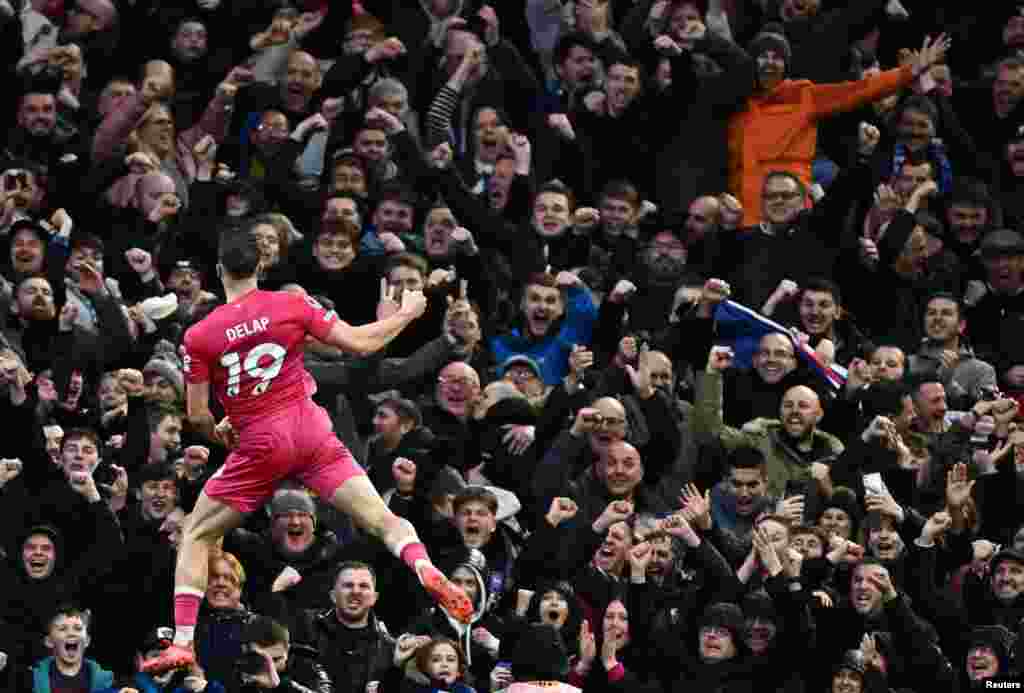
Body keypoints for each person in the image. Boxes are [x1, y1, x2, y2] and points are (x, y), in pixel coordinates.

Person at [141, 223, 472, 673]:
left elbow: (196, 415)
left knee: (199, 533)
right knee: (384, 520)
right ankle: (424, 568)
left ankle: (182, 641)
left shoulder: (199, 335)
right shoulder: (292, 305)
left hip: (260, 441)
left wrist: (223, 431)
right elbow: (360, 343)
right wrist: (408, 312)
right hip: (311, 429)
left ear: (220, 270)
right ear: (261, 265)